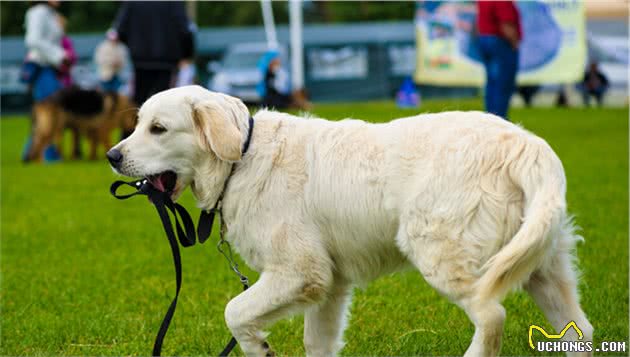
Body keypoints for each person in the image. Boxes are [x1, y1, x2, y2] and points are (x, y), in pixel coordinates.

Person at [113, 1, 193, 112]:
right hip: (167, 62)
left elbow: (120, 31)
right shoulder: (174, 3)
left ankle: (135, 128)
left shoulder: (132, 3)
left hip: (139, 61)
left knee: (138, 106)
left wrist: (134, 46)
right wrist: (187, 54)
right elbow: (185, 30)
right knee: (165, 106)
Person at [21, 0, 69, 162]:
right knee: (47, 114)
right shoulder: (38, 12)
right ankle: (45, 155)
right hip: (42, 68)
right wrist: (59, 55)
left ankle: (33, 154)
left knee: (47, 114)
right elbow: (32, 40)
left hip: (50, 69)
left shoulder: (50, 14)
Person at [476, 0, 521, 120]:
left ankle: (491, 117)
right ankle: (499, 118)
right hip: (499, 42)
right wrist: (514, 43)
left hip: (485, 38)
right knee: (503, 83)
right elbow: (506, 23)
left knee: (492, 82)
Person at [94, 29, 127, 93]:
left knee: (116, 93)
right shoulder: (102, 47)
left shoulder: (121, 47)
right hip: (105, 75)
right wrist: (111, 62)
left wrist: (118, 63)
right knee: (106, 93)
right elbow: (99, 60)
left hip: (118, 75)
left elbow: (124, 61)